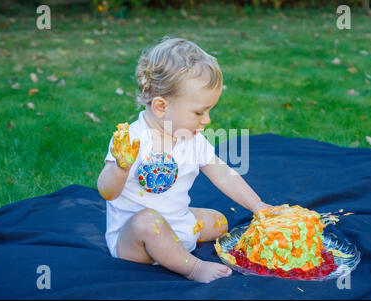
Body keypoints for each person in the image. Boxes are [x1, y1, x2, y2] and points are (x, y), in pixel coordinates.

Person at [97, 37, 274, 283]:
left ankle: (177, 236)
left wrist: (258, 206)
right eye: (199, 112)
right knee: (149, 221)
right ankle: (192, 267)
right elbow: (107, 192)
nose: (208, 120)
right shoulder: (132, 141)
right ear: (161, 107)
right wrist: (120, 166)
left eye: (209, 111)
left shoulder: (192, 139)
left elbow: (223, 174)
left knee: (220, 223)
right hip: (134, 243)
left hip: (174, 222)